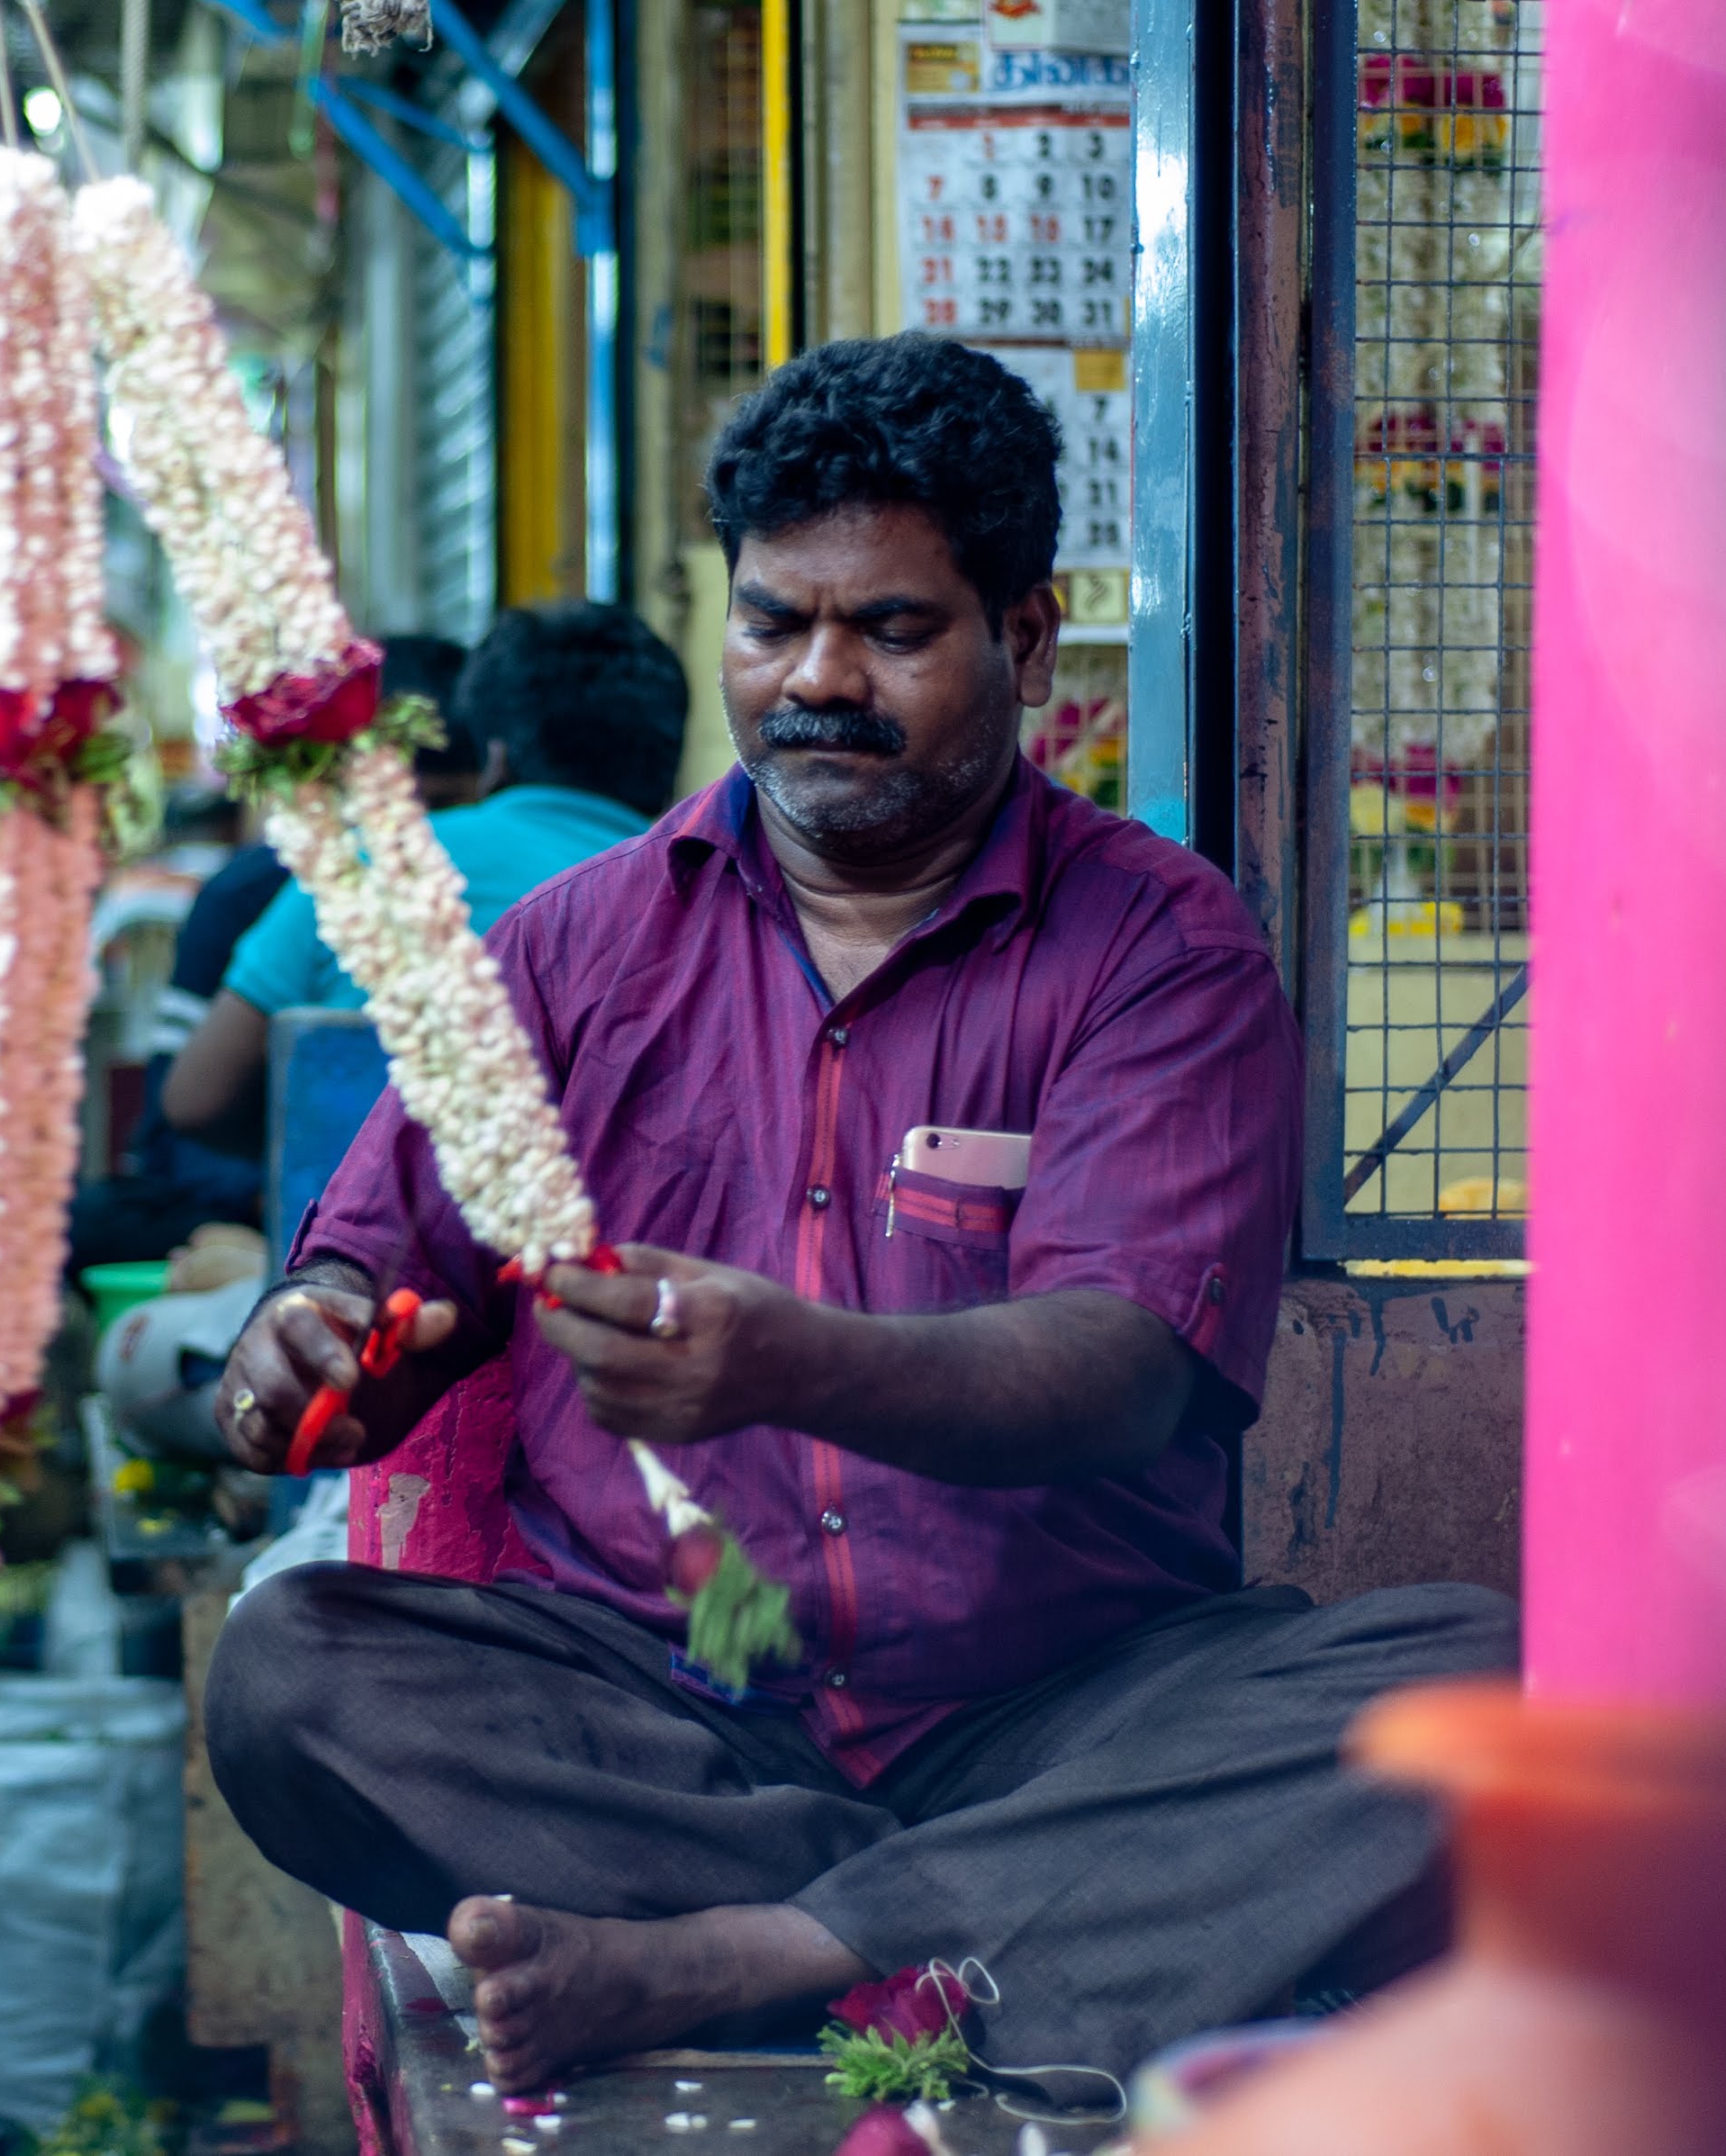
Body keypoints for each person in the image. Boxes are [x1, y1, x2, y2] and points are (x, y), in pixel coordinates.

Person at [198, 335, 1515, 2092]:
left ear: (1023, 639)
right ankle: (966, 1943)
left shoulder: (1159, 948)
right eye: (772, 624)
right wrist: (309, 1348)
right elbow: (379, 1272)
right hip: (662, 1721)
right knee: (294, 1672)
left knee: (1479, 1680)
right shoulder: (569, 950)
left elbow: (1127, 1368)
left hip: (1058, 1711)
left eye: (890, 629)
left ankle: (761, 1958)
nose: (817, 677)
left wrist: (791, 1360)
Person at [158, 601, 690, 1143]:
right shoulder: (706, 891)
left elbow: (195, 1099)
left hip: (356, 1215)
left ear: (494, 761)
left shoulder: (368, 862)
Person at [68, 637, 483, 1270]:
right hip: (270, 1203)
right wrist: (270, 1195)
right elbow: (174, 1128)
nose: (419, 834)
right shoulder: (253, 893)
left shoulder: (512, 882)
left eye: (444, 806)